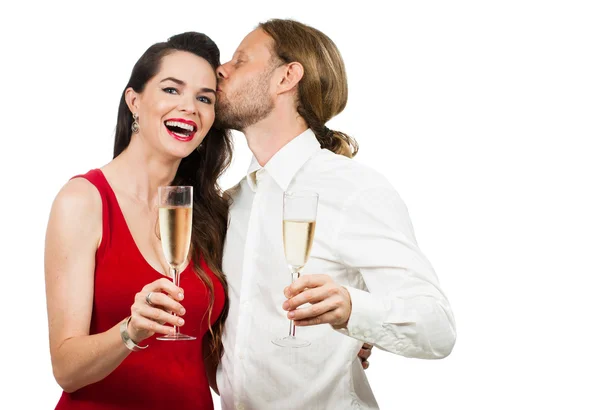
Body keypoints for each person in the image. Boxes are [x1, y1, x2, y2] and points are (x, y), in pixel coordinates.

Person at [214, 18, 457, 409]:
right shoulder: (236, 201)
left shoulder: (353, 190)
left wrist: (351, 309)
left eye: (240, 60)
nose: (221, 69)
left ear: (287, 76)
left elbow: (437, 327)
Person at [44, 32, 232, 409]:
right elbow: (66, 369)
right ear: (134, 101)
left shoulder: (212, 213)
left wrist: (327, 350)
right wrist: (131, 331)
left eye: (204, 98)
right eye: (172, 90)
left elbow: (215, 362)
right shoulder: (83, 201)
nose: (190, 107)